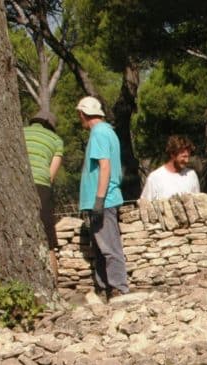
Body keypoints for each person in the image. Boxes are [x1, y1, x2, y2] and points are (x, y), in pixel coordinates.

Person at [76, 96, 129, 299]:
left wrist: (98, 200)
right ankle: (105, 287)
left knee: (109, 247)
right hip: (104, 199)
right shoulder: (108, 132)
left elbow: (105, 166)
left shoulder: (98, 132)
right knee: (100, 247)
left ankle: (119, 289)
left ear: (83, 114)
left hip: (103, 200)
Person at [23, 110, 63, 278]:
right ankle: (54, 283)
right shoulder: (56, 140)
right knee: (48, 242)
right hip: (41, 187)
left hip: (20, 185)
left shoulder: (21, 132)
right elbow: (51, 175)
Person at [140, 135, 200, 200]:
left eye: (188, 156)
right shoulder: (155, 178)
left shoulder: (191, 175)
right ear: (172, 154)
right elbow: (145, 203)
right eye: (184, 156)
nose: (187, 160)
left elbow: (198, 201)